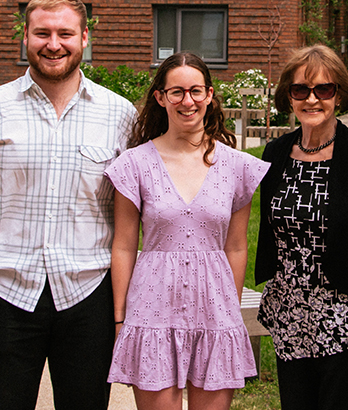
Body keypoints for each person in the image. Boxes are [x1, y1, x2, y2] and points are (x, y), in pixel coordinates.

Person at [0, 0, 137, 410]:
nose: (53, 44)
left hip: (88, 293)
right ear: (26, 37)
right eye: (42, 33)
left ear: (85, 38)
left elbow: (128, 206)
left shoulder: (120, 116)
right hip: (7, 293)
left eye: (65, 33)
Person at [106, 53, 269, 410]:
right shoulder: (134, 164)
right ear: (161, 97)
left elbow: (237, 246)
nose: (187, 101)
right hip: (152, 309)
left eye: (196, 91)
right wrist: (120, 318)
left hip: (216, 310)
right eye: (176, 92)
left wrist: (230, 307)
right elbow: (123, 245)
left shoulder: (235, 165)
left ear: (209, 95)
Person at [254, 45, 348, 410]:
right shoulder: (275, 154)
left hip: (344, 311)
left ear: (338, 95)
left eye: (323, 90)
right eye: (300, 91)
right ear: (288, 97)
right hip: (289, 310)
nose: (312, 99)